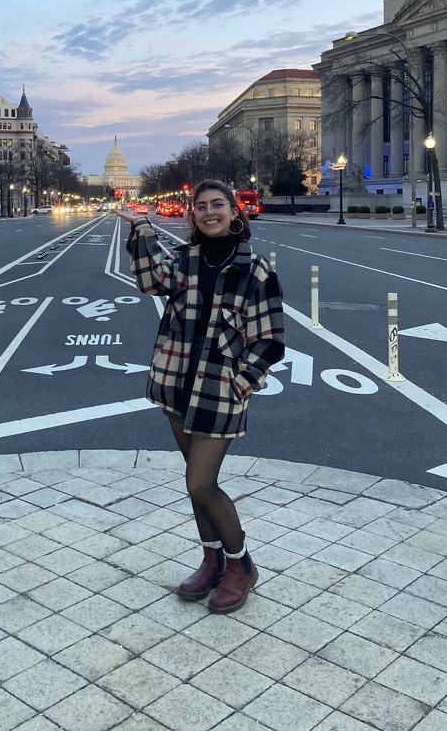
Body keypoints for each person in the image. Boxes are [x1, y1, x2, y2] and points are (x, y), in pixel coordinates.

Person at [114, 179, 284, 614]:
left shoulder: (255, 270)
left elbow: (269, 342)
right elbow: (150, 282)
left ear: (234, 212)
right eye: (201, 206)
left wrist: (239, 383)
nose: (210, 212)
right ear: (192, 215)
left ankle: (240, 565)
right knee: (196, 486)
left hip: (218, 392)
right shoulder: (185, 260)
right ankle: (211, 561)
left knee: (200, 482)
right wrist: (142, 229)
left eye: (218, 205)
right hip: (175, 386)